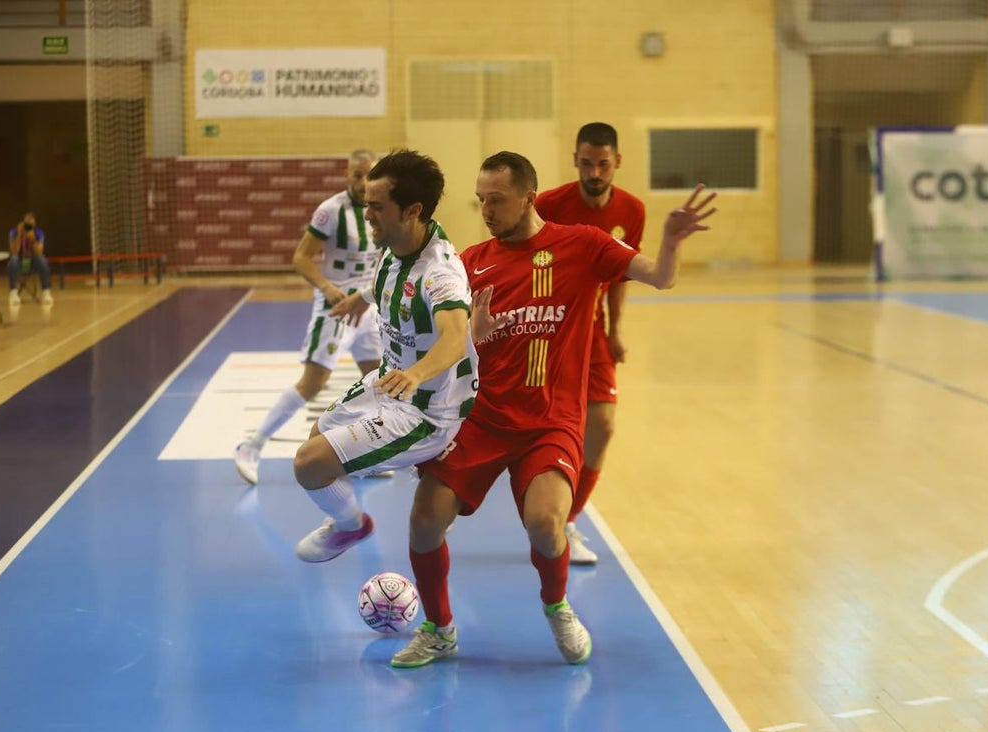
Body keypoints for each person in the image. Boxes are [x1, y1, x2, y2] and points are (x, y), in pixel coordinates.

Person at [390, 151, 714, 669]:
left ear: (529, 198)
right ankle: (439, 629)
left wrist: (671, 242)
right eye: (480, 201)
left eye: (496, 200)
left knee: (545, 524)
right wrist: (471, 337)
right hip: (481, 417)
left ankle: (557, 605)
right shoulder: (469, 262)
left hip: (549, 421)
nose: (487, 210)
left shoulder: (582, 246)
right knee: (423, 522)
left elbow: (660, 276)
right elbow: (445, 342)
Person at [291, 149, 478, 564]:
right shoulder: (396, 242)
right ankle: (349, 519)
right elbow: (390, 280)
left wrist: (417, 373)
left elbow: (454, 335)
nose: (367, 215)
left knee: (308, 464)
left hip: (425, 411)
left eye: (377, 207)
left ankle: (351, 525)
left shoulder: (441, 272)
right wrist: (361, 297)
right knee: (316, 443)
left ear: (412, 210)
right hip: (387, 382)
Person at [235, 150, 384, 484]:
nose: (363, 182)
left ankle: (361, 457)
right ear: (348, 174)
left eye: (369, 175)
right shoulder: (331, 211)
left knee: (377, 381)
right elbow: (301, 258)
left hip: (367, 308)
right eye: (358, 174)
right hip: (336, 308)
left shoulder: (381, 210)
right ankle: (251, 446)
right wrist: (328, 288)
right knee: (314, 382)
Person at [534, 122, 646, 566]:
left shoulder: (632, 211)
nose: (594, 171)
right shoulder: (549, 205)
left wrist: (616, 329)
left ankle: (570, 520)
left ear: (617, 162)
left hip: (592, 327)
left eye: (603, 163)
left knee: (602, 425)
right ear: (575, 161)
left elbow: (624, 273)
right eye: (586, 163)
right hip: (546, 326)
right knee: (546, 426)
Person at [8, 212, 53, 308]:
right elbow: (13, 252)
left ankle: (46, 291)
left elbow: (39, 252)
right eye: (26, 224)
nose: (27, 227)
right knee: (13, 259)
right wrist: (19, 236)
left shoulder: (38, 233)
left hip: (33, 263)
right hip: (19, 263)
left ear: (34, 225)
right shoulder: (14, 232)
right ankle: (13, 293)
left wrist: (32, 240)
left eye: (30, 225)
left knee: (42, 259)